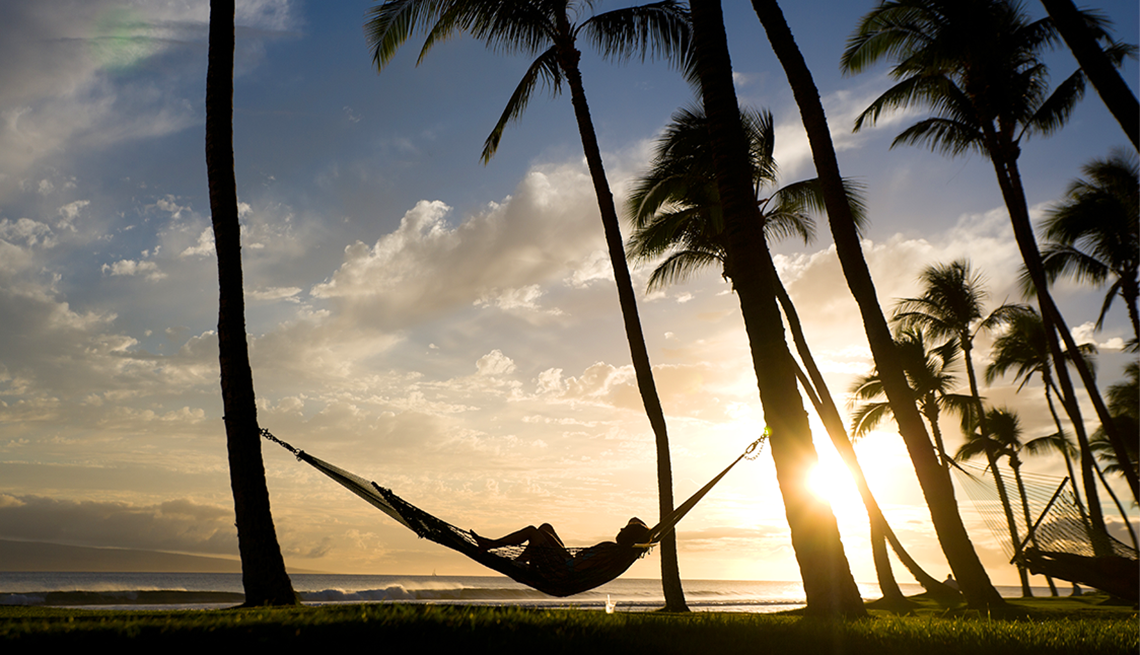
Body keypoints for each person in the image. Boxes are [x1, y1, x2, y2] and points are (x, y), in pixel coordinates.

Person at [473, 517, 651, 569]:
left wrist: (576, 559)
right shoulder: (616, 550)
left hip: (565, 568)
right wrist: (641, 530)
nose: (620, 529)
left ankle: (489, 545)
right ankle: (521, 560)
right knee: (545, 527)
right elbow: (633, 520)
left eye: (624, 529)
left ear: (628, 536)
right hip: (569, 560)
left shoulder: (611, 550)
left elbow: (582, 567)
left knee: (531, 531)